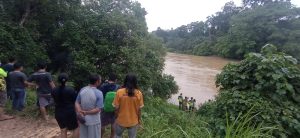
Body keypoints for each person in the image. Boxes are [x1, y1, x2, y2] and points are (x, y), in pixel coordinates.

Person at [113, 73, 144, 138]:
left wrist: (116, 118)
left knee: (117, 135)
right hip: (133, 121)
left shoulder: (119, 92)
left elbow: (116, 108)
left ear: (125, 81)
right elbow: (139, 110)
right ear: (135, 82)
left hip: (121, 120)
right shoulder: (139, 93)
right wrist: (139, 120)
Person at [52, 73, 79, 138]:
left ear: (58, 80)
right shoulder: (71, 90)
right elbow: (75, 101)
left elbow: (54, 100)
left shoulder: (54, 90)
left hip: (58, 112)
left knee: (63, 130)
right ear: (67, 80)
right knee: (76, 128)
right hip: (70, 112)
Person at [98, 73, 120, 138]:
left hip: (104, 107)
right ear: (116, 80)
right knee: (113, 123)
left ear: (108, 79)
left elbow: (100, 96)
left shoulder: (103, 86)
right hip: (114, 108)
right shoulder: (118, 87)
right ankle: (112, 136)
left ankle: (101, 136)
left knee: (102, 124)